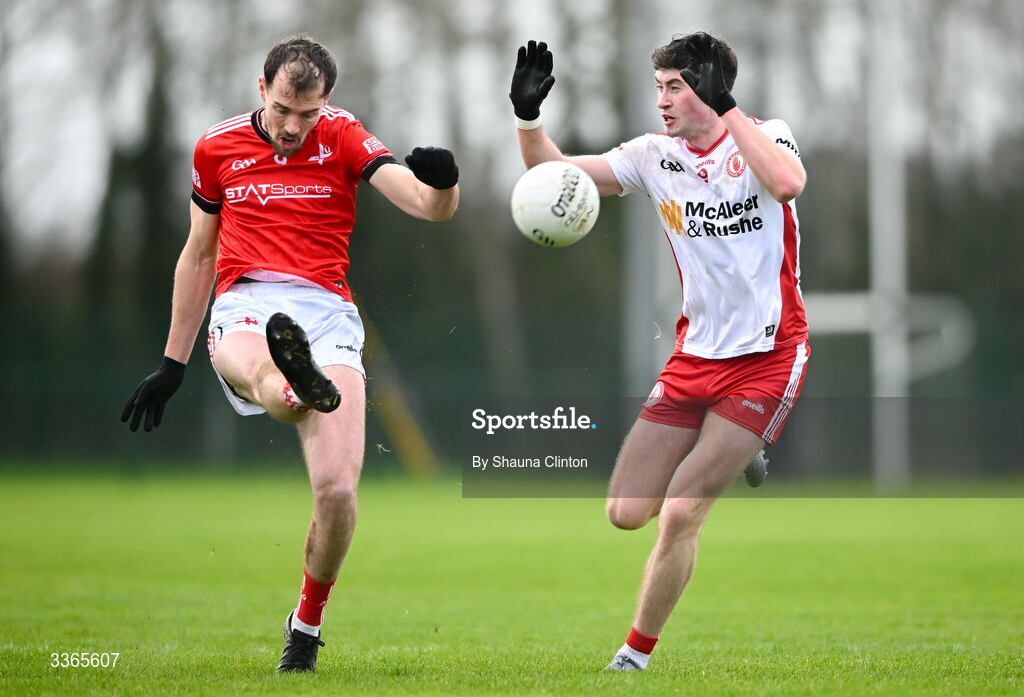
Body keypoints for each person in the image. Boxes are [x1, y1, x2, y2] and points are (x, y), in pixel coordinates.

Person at [121, 35, 459, 673]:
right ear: (262, 90)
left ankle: (305, 626)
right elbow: (198, 255)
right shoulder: (216, 148)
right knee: (269, 374)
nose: (292, 127)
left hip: (327, 311)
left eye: (308, 114)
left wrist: (444, 184)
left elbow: (426, 206)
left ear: (327, 103)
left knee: (337, 494)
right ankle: (294, 383)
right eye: (282, 110)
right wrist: (173, 361)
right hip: (244, 303)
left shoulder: (346, 137)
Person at [509, 33, 809, 671]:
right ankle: (744, 450)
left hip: (768, 355)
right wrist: (528, 119)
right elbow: (551, 177)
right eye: (660, 87)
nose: (664, 100)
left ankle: (634, 655)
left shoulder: (764, 135)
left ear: (706, 86)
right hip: (694, 356)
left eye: (676, 85)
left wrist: (727, 108)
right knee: (626, 512)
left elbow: (786, 184)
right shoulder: (653, 155)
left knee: (679, 513)